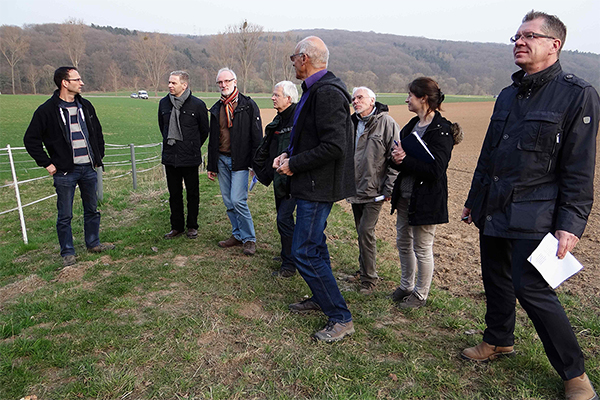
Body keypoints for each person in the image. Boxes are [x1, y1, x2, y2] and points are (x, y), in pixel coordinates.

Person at [461, 11, 599, 400]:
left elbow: (579, 165)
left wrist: (570, 223)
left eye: (529, 36)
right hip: (494, 207)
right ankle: (499, 339)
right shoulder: (507, 94)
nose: (519, 42)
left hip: (536, 212)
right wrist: (475, 200)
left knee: (533, 290)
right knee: (496, 279)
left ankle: (574, 373)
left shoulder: (577, 94)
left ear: (555, 44)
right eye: (516, 37)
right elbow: (489, 154)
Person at [273, 36, 355, 342]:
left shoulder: (329, 93)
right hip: (310, 183)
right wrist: (288, 155)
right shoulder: (316, 90)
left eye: (294, 57)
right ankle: (321, 299)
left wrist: (296, 164)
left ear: (305, 58)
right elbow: (310, 138)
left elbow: (334, 145)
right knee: (315, 245)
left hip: (317, 186)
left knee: (304, 251)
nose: (292, 62)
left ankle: (340, 317)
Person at [23, 66, 114, 268]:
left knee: (92, 209)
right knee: (65, 215)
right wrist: (47, 164)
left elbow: (97, 134)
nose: (81, 83)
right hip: (65, 173)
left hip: (89, 169)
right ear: (65, 83)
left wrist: (98, 157)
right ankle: (68, 253)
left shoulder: (86, 106)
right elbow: (30, 140)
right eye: (77, 79)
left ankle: (93, 243)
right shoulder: (47, 110)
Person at [389, 77, 462, 309]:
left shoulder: (441, 130)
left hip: (426, 199)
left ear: (423, 98)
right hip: (405, 196)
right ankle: (406, 286)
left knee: (422, 247)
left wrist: (406, 160)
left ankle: (421, 295)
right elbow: (400, 158)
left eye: (410, 95)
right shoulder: (412, 125)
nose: (407, 99)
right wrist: (397, 159)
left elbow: (436, 170)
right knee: (403, 242)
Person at [347, 86, 400, 295]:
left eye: (360, 97)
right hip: (355, 188)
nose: (355, 101)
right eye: (353, 98)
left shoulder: (386, 123)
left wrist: (389, 188)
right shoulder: (352, 123)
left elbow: (395, 156)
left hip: (375, 189)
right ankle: (363, 270)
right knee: (360, 231)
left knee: (366, 231)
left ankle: (370, 280)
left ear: (372, 101)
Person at [207, 68, 262, 256]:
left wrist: (256, 163)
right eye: (220, 82)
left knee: (238, 200)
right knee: (228, 201)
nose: (223, 85)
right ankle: (237, 235)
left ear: (235, 81)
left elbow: (257, 136)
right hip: (221, 159)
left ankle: (249, 239)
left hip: (241, 161)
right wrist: (211, 165)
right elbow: (213, 138)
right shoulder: (217, 108)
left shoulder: (248, 105)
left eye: (227, 81)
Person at [252, 81, 299, 278]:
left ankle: (289, 266)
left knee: (284, 219)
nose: (272, 98)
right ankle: (286, 254)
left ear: (288, 98)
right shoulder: (280, 119)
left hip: (294, 180)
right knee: (283, 217)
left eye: (276, 95)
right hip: (280, 178)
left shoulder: (297, 119)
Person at [158, 70, 209, 240]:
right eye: (169, 82)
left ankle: (192, 226)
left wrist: (192, 146)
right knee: (174, 194)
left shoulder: (197, 105)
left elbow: (204, 130)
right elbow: (163, 128)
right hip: (170, 156)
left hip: (190, 157)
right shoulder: (164, 103)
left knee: (192, 193)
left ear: (184, 85)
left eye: (173, 83)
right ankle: (176, 227)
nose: (170, 85)